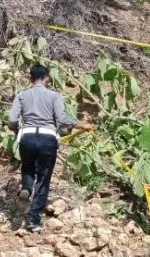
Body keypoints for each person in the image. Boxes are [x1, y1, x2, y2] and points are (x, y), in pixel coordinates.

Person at [8, 64, 91, 232]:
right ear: (47, 78)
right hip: (47, 138)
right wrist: (80, 125)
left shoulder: (22, 95)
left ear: (30, 79)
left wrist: (16, 131)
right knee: (43, 178)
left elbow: (11, 119)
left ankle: (25, 189)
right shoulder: (54, 96)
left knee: (28, 168)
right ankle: (33, 220)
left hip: (27, 137)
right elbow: (62, 118)